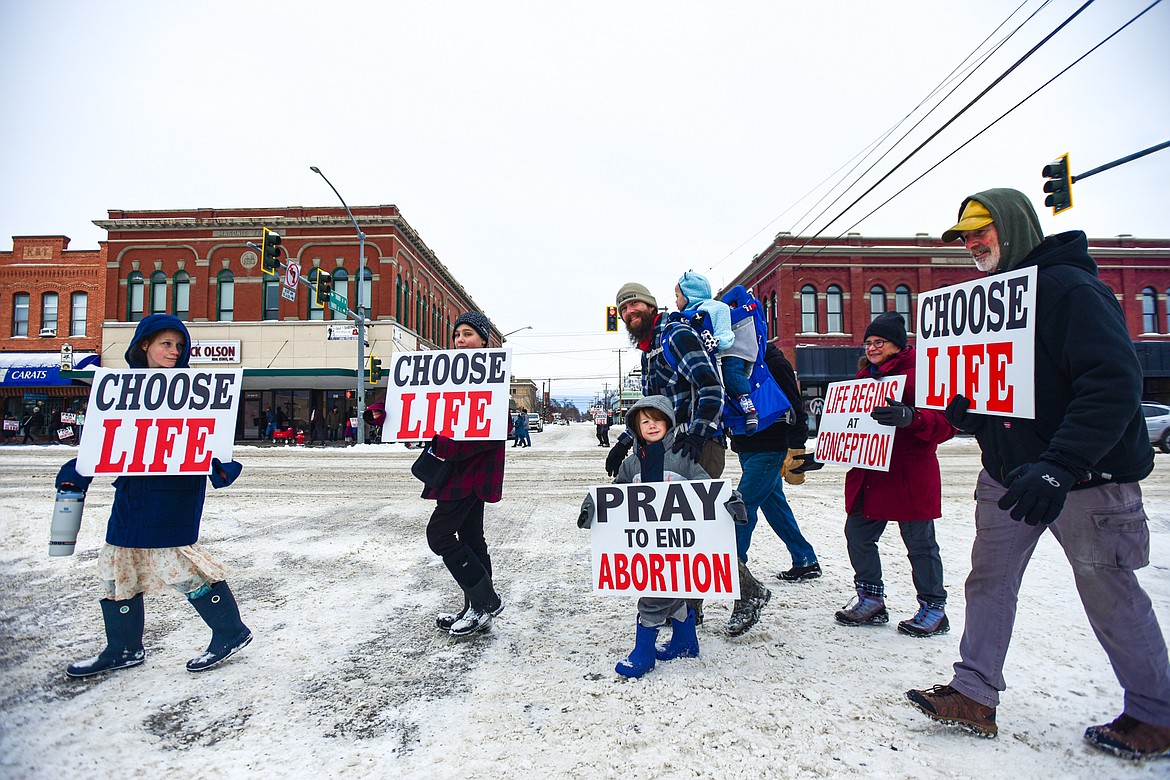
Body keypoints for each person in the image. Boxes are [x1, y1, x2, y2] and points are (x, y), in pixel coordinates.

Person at [906, 189, 1170, 760]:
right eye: (965, 237)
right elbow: (1015, 392)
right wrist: (971, 413)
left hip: (1086, 477)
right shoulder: (991, 303)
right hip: (1008, 474)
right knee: (987, 580)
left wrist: (1059, 464)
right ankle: (974, 693)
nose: (973, 244)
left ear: (1015, 227)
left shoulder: (1070, 290)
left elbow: (1113, 384)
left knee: (1108, 588)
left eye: (982, 231)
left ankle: (1156, 714)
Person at [54, 314, 250, 677]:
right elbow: (106, 438)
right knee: (118, 563)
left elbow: (206, 436)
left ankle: (230, 631)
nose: (174, 352)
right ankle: (123, 647)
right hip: (133, 493)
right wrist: (78, 471)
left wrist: (216, 461)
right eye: (166, 344)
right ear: (144, 345)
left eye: (179, 345)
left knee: (177, 562)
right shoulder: (122, 388)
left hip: (173, 492)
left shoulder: (194, 389)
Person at [578, 394, 746, 678]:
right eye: (645, 421)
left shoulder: (682, 458)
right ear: (635, 426)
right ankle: (685, 640)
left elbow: (708, 486)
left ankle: (643, 653)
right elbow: (615, 494)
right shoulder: (631, 465)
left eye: (657, 420)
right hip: (647, 548)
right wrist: (591, 507)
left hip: (681, 545)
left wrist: (732, 499)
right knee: (668, 587)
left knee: (653, 598)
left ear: (668, 423)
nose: (652, 425)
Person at [834, 311, 954, 637]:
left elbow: (945, 426)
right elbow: (849, 428)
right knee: (858, 536)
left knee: (920, 545)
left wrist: (911, 417)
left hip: (907, 475)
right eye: (869, 342)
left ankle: (934, 607)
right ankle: (870, 599)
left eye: (879, 342)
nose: (872, 348)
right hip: (870, 475)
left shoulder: (921, 375)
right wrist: (827, 452)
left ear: (897, 345)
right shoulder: (863, 378)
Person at [726, 342, 822, 636]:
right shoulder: (735, 361)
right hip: (748, 448)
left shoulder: (773, 362)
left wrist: (797, 447)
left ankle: (739, 585)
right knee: (773, 504)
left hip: (770, 449)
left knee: (741, 509)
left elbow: (795, 405)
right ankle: (805, 558)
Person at [425, 312, 507, 637]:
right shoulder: (449, 377)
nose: (460, 340)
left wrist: (447, 447)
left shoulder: (493, 378)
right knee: (472, 539)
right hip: (455, 469)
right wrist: (388, 418)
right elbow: (428, 412)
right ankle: (476, 610)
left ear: (484, 340)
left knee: (440, 535)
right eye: (457, 334)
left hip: (471, 470)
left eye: (468, 333)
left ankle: (487, 600)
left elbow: (489, 432)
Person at [675, 271, 758, 434]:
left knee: (732, 377)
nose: (675, 300)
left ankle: (750, 409)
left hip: (729, 353)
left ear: (689, 294)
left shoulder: (716, 308)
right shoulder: (687, 315)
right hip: (710, 358)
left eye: (677, 295)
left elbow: (726, 334)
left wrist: (717, 341)